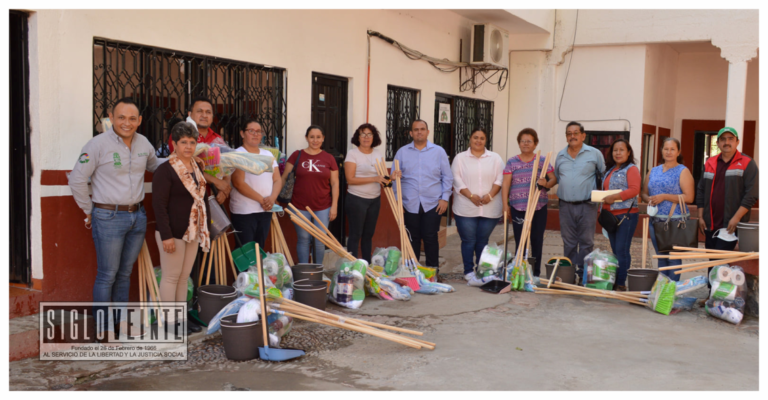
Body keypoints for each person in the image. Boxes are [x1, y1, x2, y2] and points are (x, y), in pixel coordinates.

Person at [68, 97, 161, 342]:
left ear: (139, 120)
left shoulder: (143, 143)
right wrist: (89, 210)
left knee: (124, 273)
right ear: (112, 118)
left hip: (137, 216)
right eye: (121, 117)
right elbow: (77, 179)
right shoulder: (96, 144)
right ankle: (104, 327)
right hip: (107, 216)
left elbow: (155, 166)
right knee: (107, 274)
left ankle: (121, 324)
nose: (126, 123)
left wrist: (183, 158)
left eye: (132, 118)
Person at [152, 122, 211, 335]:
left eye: (192, 142)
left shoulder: (197, 168)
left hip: (193, 231)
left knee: (184, 277)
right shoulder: (165, 170)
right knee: (170, 276)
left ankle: (181, 320)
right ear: (174, 144)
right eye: (183, 142)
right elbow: (158, 205)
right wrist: (166, 236)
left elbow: (201, 200)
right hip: (173, 232)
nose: (188, 146)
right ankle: (169, 324)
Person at [393, 120, 453, 278]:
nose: (419, 132)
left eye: (422, 129)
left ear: (428, 132)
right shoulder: (402, 152)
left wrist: (445, 198)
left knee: (431, 237)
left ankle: (432, 273)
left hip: (433, 202)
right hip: (409, 202)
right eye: (416, 130)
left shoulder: (438, 151)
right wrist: (397, 201)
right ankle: (413, 274)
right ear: (411, 133)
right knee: (412, 238)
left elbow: (447, 177)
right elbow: (395, 179)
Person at [696, 127, 759, 265]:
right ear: (718, 143)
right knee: (712, 262)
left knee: (720, 263)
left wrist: (736, 218)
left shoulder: (747, 163)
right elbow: (701, 190)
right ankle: (712, 287)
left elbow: (752, 194)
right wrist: (700, 216)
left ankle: (717, 286)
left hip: (731, 225)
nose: (727, 142)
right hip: (710, 224)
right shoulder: (709, 163)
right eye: (723, 139)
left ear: (737, 142)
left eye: (731, 139)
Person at [552, 121, 605, 280]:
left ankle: (584, 276)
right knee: (568, 242)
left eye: (576, 133)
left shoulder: (594, 154)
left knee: (586, 242)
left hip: (587, 205)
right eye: (569, 133)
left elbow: (604, 174)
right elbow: (556, 177)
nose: (572, 136)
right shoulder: (560, 155)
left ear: (583, 135)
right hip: (565, 206)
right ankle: (568, 275)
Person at [281, 125, 339, 265]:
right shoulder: (297, 155)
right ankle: (304, 271)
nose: (315, 140)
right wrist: (276, 198)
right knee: (303, 239)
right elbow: (284, 178)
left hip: (323, 206)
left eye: (318, 137)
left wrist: (334, 206)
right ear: (306, 138)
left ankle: (317, 271)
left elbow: (335, 183)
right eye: (312, 137)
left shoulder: (329, 158)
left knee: (320, 240)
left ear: (323, 138)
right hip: (299, 206)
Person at [502, 128, 555, 278]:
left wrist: (546, 183)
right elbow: (506, 184)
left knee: (537, 239)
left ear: (535, 143)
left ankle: (536, 273)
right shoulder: (512, 161)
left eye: (529, 141)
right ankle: (520, 271)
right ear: (519, 143)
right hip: (518, 206)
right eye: (522, 141)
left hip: (538, 206)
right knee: (521, 240)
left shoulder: (542, 160)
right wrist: (505, 205)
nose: (525, 144)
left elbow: (553, 179)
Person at [451, 129, 504, 281]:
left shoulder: (495, 158)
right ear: (470, 139)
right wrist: (471, 196)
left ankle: (483, 272)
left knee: (482, 240)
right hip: (465, 207)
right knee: (468, 241)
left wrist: (490, 195)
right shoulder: (460, 158)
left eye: (482, 138)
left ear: (486, 140)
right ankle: (468, 271)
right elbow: (456, 179)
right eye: (475, 137)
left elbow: (500, 179)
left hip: (490, 207)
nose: (478, 141)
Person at [641, 137, 695, 281]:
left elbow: (689, 197)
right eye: (666, 149)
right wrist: (649, 199)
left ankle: (671, 293)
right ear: (661, 151)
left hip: (674, 222)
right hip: (655, 221)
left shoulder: (682, 171)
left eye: (672, 149)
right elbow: (644, 192)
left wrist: (665, 196)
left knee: (673, 259)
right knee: (661, 257)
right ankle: (662, 293)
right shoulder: (653, 171)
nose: (669, 152)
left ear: (678, 152)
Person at [229, 119, 282, 250]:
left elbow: (277, 179)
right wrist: (263, 200)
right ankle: (244, 272)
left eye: (258, 131)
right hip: (245, 211)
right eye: (251, 131)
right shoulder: (237, 154)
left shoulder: (268, 154)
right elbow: (238, 183)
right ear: (242, 134)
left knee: (260, 248)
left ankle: (257, 272)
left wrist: (272, 198)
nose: (255, 134)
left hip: (265, 210)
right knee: (245, 250)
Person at [169, 96, 231, 205]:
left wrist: (224, 188)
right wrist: (216, 181)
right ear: (189, 114)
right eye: (200, 111)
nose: (204, 115)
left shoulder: (217, 139)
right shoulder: (180, 134)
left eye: (208, 112)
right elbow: (183, 165)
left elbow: (227, 166)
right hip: (185, 199)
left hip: (211, 200)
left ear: (212, 116)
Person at [600, 139, 640, 291]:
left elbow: (635, 189)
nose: (618, 153)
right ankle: (616, 279)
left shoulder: (631, 169)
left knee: (622, 250)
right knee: (615, 251)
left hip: (626, 216)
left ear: (628, 152)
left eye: (621, 150)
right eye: (615, 150)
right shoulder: (610, 170)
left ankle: (621, 283)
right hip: (610, 216)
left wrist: (615, 197)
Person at [344, 123, 387, 262]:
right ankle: (353, 266)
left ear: (374, 137)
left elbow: (384, 178)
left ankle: (366, 267)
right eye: (363, 134)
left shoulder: (377, 154)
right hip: (357, 200)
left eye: (369, 134)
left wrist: (393, 176)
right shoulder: (353, 154)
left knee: (368, 235)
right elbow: (350, 179)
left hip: (374, 200)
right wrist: (374, 178)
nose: (366, 137)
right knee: (355, 234)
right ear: (358, 137)